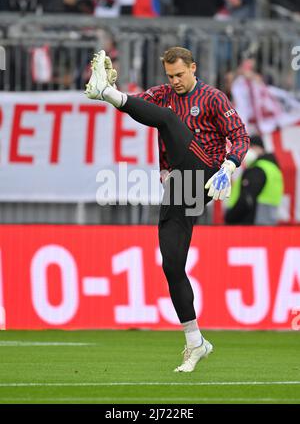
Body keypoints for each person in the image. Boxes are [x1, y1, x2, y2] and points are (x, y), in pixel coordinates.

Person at [85, 47, 250, 372]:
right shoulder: (163, 94)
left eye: (180, 74)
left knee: (169, 119)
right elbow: (141, 107)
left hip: (207, 171)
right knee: (172, 264)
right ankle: (195, 341)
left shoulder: (213, 97)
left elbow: (240, 135)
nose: (174, 81)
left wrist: (229, 167)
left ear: (193, 67)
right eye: (170, 75)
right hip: (180, 183)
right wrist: (121, 95)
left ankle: (104, 91)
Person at [225, 135, 284, 225]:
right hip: (268, 222)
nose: (247, 151)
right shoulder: (273, 168)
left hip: (251, 224)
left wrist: (230, 218)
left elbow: (247, 199)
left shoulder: (257, 169)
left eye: (250, 147)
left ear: (259, 148)